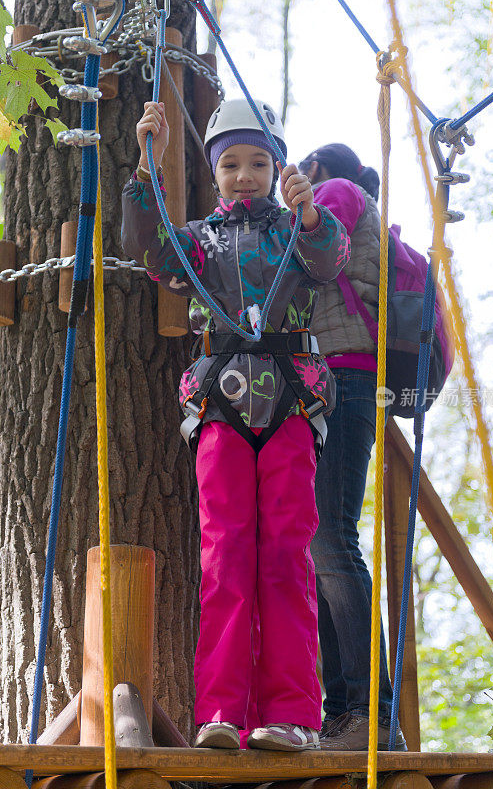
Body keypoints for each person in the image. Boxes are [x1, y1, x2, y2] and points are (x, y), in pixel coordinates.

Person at [121, 101, 351, 752]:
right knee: (225, 555)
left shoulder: (294, 232)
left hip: (291, 403)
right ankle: (221, 711)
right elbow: (148, 249)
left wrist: (307, 211)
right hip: (219, 405)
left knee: (284, 555)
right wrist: (147, 162)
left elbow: (330, 258)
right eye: (230, 165)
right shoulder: (198, 240)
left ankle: (294, 714)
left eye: (257, 163)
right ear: (213, 172)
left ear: (277, 167)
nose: (243, 175)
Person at [298, 143, 408, 752]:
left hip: (341, 374)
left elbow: (302, 247)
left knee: (331, 538)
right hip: (333, 376)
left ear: (315, 168)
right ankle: (343, 711)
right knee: (322, 541)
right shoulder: (349, 196)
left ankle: (367, 712)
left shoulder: (335, 194)